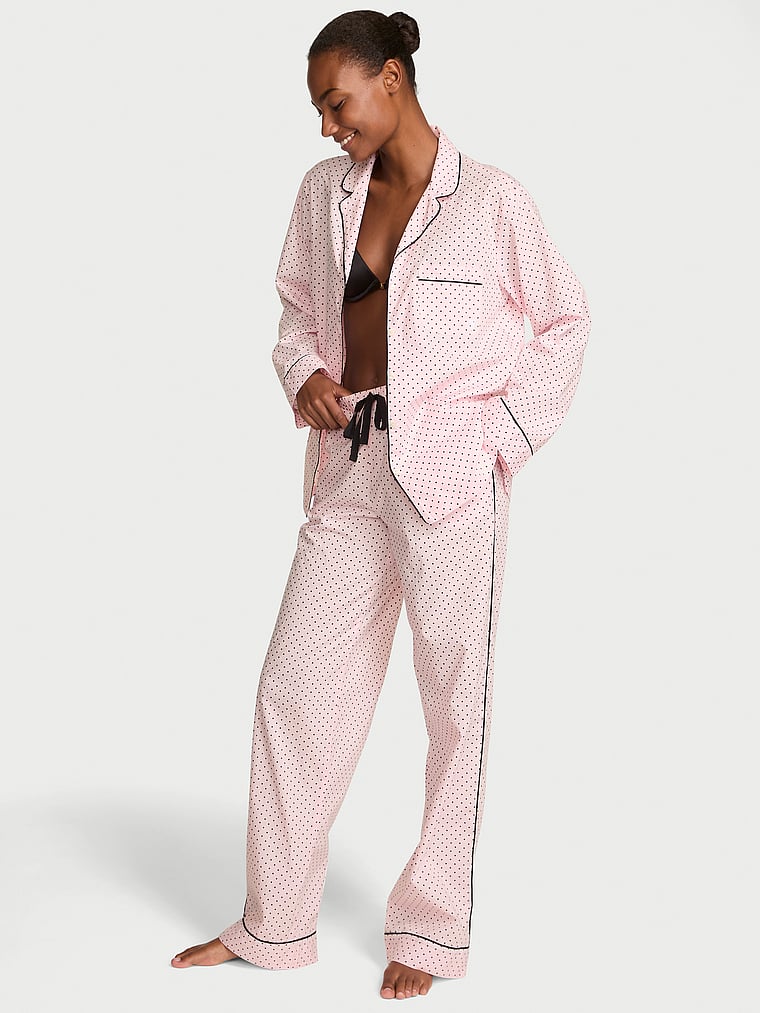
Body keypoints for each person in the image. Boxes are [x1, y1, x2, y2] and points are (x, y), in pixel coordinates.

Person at [171, 8, 591, 1001]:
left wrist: (499, 439)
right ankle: (274, 922)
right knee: (294, 690)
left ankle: (432, 930)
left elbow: (566, 322)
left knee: (454, 705)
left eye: (337, 103)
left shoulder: (491, 200)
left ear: (391, 79)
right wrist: (306, 375)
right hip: (349, 468)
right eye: (320, 111)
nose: (328, 126)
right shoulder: (322, 194)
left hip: (451, 477)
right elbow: (295, 311)